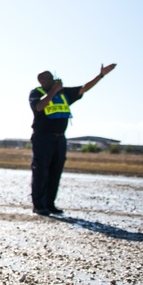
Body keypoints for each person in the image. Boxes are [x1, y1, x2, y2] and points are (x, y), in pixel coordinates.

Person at [29, 63, 117, 216]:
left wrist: (101, 75)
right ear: (41, 80)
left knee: (55, 172)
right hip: (42, 138)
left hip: (60, 139)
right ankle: (38, 205)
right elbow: (39, 107)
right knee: (41, 171)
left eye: (53, 77)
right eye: (49, 78)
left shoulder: (64, 93)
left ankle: (50, 204)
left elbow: (83, 88)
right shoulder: (36, 93)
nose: (53, 80)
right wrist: (54, 91)